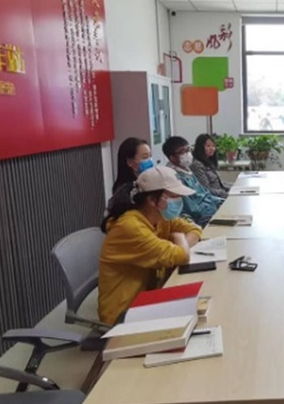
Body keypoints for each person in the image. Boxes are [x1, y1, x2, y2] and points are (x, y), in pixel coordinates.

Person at [98, 167, 202, 325]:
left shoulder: (161, 216)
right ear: (152, 200)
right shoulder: (131, 227)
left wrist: (180, 246)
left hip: (150, 296)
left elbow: (195, 230)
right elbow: (182, 256)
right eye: (174, 196)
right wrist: (179, 239)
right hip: (124, 313)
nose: (179, 201)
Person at [163, 136, 225, 227]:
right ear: (172, 157)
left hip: (209, 208)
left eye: (188, 149)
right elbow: (191, 208)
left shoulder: (186, 169)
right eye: (182, 151)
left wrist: (220, 201)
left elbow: (204, 193)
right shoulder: (173, 176)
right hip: (200, 218)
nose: (187, 153)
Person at [189, 134, 230, 199]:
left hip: (219, 195)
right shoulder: (197, 165)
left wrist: (232, 188)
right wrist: (224, 193)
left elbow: (217, 184)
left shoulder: (209, 162)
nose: (212, 149)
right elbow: (205, 189)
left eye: (213, 146)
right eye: (208, 146)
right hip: (212, 199)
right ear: (200, 147)